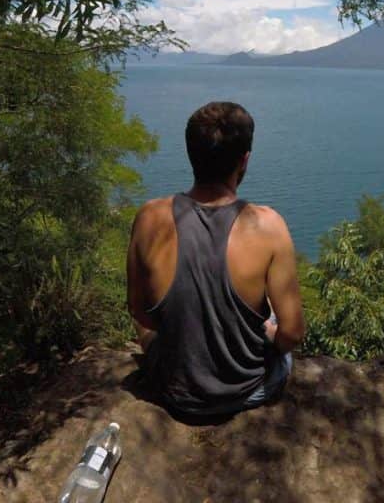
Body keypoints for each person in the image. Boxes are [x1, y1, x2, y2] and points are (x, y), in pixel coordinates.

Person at [126, 101, 305, 417]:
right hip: (248, 392)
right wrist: (268, 333)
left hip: (171, 389)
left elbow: (140, 311)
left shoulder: (149, 217)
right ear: (244, 160)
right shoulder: (268, 225)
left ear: (191, 154)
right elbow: (292, 335)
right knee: (273, 319)